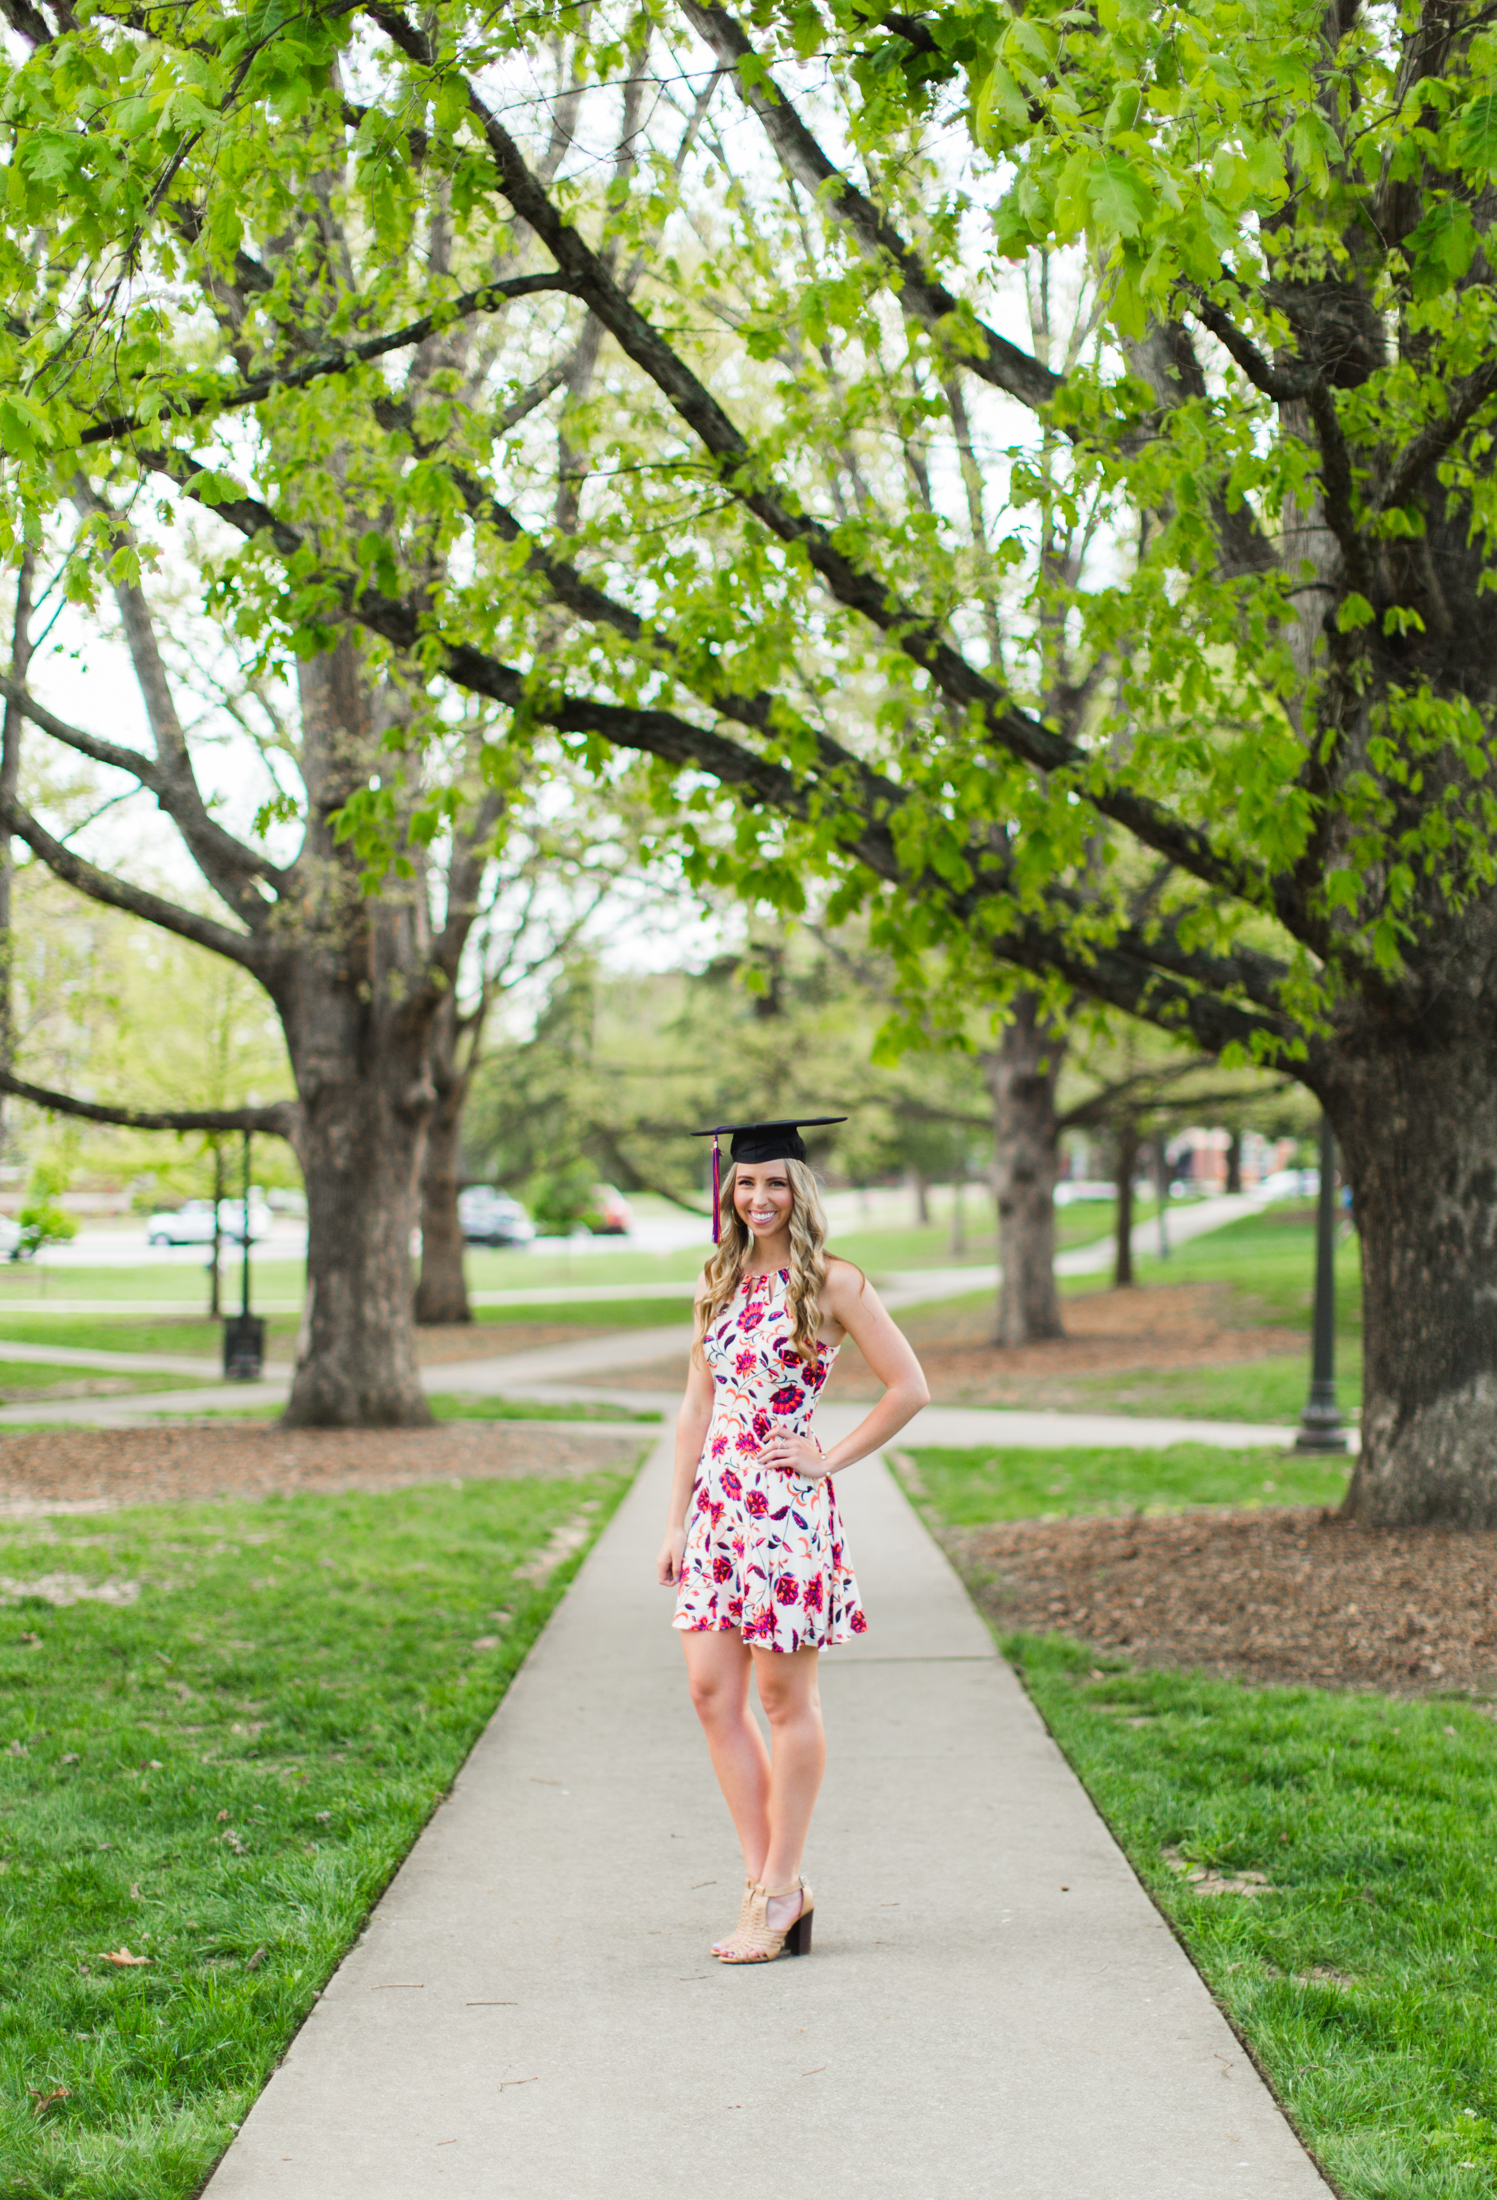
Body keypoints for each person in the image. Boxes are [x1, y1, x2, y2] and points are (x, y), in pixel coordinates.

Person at [656, 1119, 929, 1964]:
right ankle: (769, 1885)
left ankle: (776, 1889)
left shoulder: (834, 1283)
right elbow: (696, 1409)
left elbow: (909, 1388)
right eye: (745, 1184)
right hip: (716, 1514)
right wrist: (675, 1520)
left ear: (799, 1190)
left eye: (774, 1183)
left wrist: (824, 1459)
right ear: (727, 1192)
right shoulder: (716, 1282)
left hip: (783, 1516)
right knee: (710, 1693)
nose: (759, 1198)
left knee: (783, 1703)